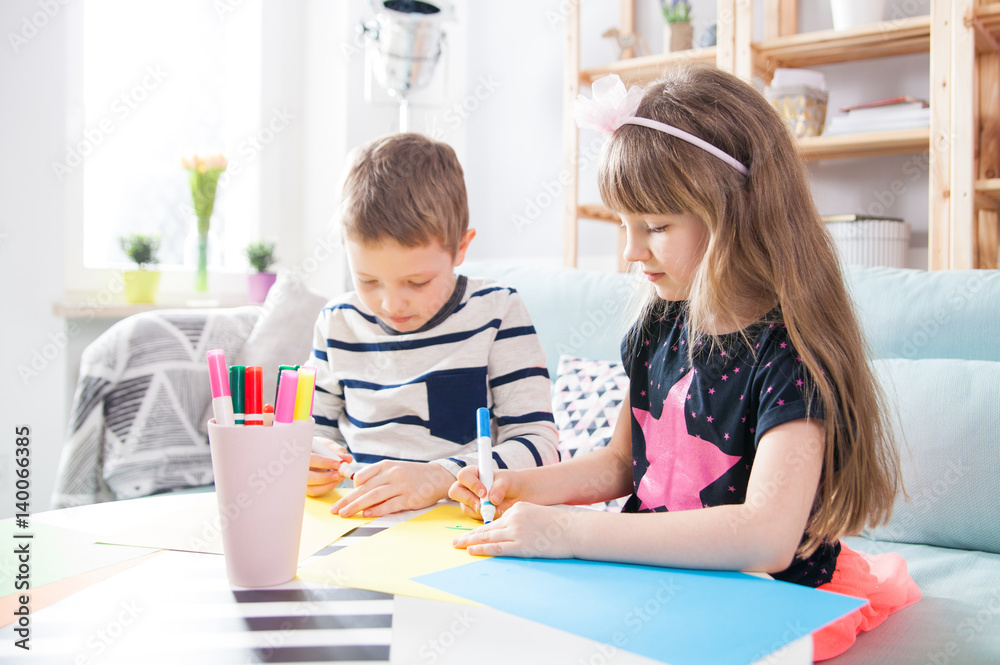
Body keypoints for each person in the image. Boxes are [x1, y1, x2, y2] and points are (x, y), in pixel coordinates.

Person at [448, 65, 920, 660]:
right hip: (649, 571)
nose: (630, 250)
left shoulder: (790, 355)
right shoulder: (660, 321)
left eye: (655, 226)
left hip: (764, 593)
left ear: (735, 213)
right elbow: (624, 461)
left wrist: (570, 531)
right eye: (624, 225)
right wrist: (522, 487)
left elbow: (767, 537)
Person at [304, 132, 559, 520]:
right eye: (368, 281)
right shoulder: (337, 323)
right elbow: (313, 433)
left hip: (458, 527)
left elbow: (541, 449)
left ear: (461, 248)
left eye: (417, 282)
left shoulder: (497, 312)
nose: (391, 304)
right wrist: (310, 460)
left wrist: (439, 477)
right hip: (359, 527)